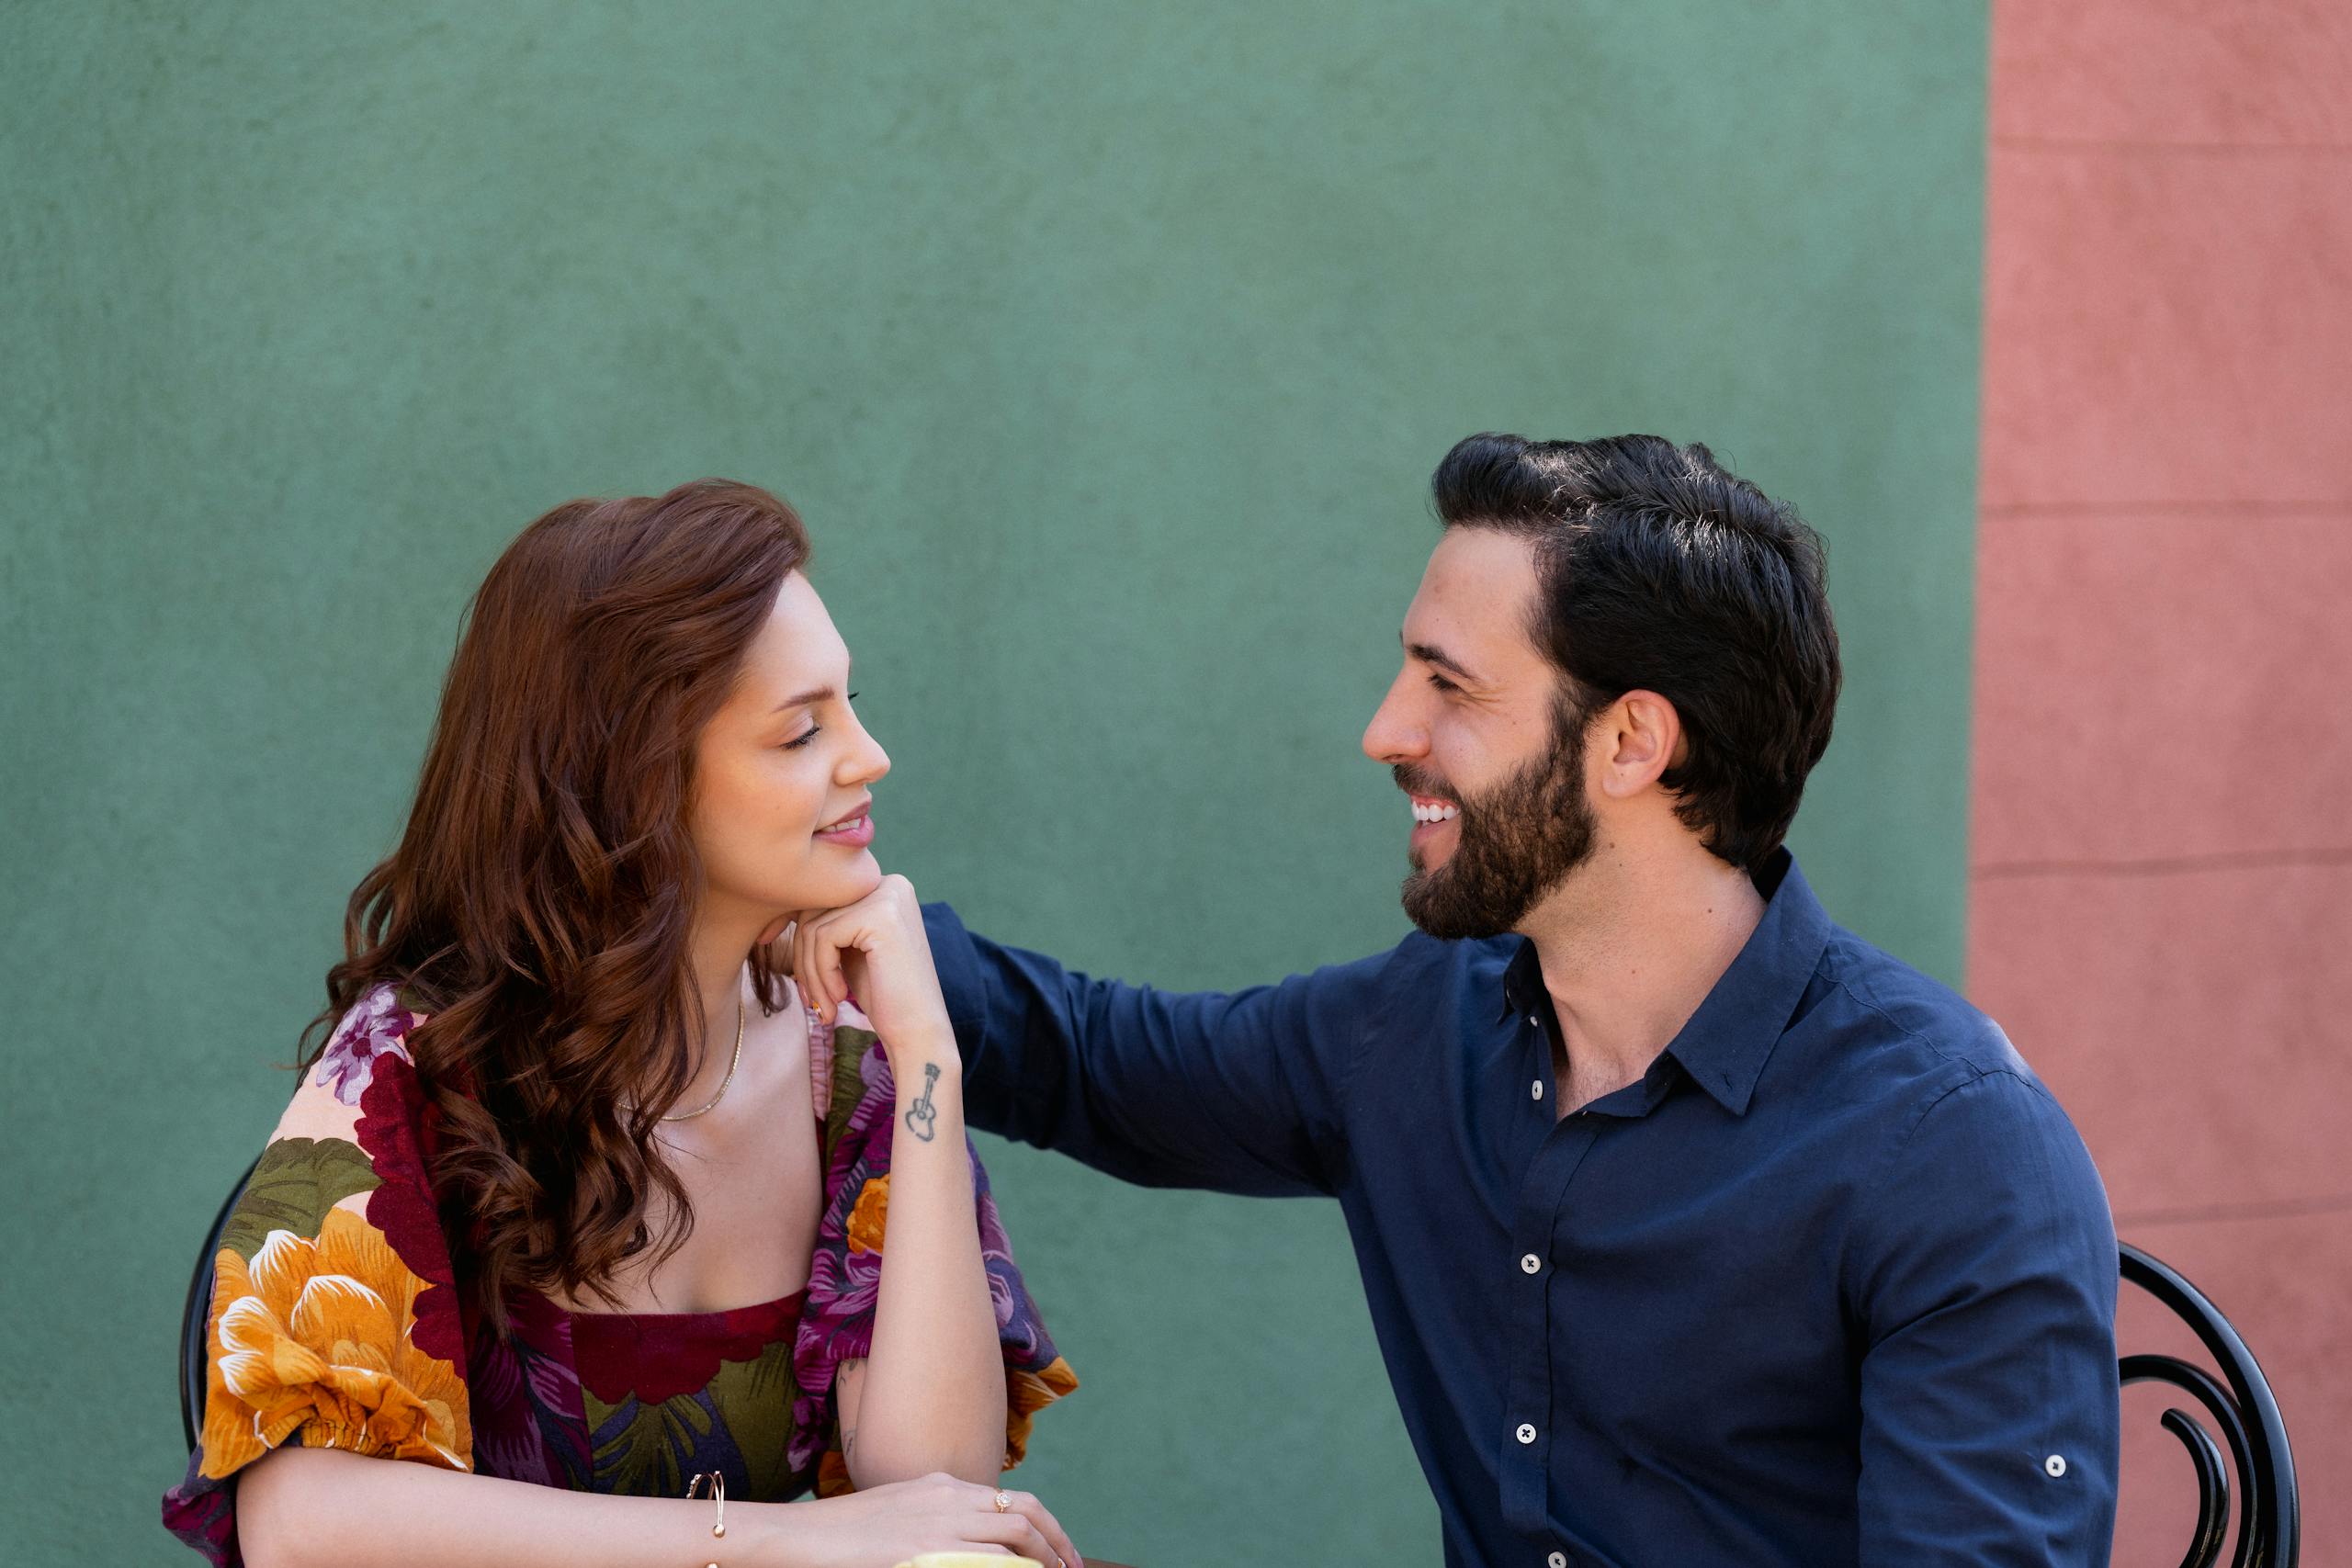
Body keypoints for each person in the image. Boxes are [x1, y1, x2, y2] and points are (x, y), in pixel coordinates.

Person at [839, 434, 2121, 1567]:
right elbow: (1098, 1057)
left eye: (1450, 685)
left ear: (1632, 741)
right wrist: (823, 907)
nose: (1387, 729)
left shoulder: (1953, 1149)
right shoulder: (1423, 1028)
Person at [163, 481, 1081, 1568]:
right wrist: (768, 1544)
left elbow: (934, 1495)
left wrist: (927, 1058)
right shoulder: (411, 1066)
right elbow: (299, 1524)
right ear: (636, 788)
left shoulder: (852, 1062)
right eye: (800, 732)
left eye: (850, 705)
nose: (868, 756)